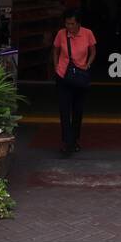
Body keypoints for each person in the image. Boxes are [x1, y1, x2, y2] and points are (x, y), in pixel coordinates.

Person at [52, 10, 96, 156]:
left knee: (78, 110)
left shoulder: (87, 33)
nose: (69, 26)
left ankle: (75, 139)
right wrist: (56, 66)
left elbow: (93, 51)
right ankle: (67, 142)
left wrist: (87, 64)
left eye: (72, 24)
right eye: (67, 23)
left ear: (78, 24)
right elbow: (55, 50)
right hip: (63, 76)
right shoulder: (61, 34)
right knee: (64, 111)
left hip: (80, 77)